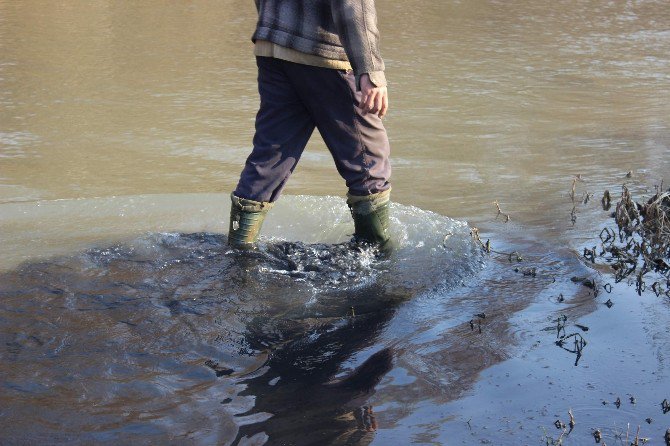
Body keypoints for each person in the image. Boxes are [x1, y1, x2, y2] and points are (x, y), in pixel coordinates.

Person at [229, 0, 392, 249]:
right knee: (369, 161)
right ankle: (379, 261)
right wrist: (370, 69)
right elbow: (353, 5)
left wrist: (278, 30)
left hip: (272, 46)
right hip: (325, 54)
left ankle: (239, 253)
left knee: (270, 157)